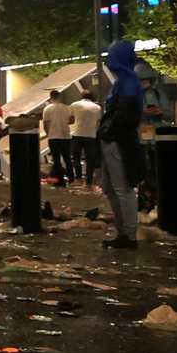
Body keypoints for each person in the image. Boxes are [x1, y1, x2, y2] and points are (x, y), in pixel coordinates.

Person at [96, 40, 145, 247]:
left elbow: (127, 115)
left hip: (119, 141)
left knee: (121, 187)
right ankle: (124, 233)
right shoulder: (124, 81)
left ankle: (128, 234)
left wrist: (109, 130)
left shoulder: (128, 81)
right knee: (111, 188)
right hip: (114, 139)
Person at [39, 90, 77, 183]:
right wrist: (64, 122)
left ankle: (60, 179)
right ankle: (71, 178)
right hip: (66, 136)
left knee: (56, 159)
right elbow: (72, 121)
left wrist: (48, 134)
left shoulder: (47, 109)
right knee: (67, 158)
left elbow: (45, 124)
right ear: (59, 97)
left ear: (50, 97)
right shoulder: (67, 108)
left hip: (53, 136)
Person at [71, 88, 103, 189]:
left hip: (77, 134)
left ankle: (78, 179)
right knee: (90, 159)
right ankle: (89, 181)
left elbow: (71, 119)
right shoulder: (97, 107)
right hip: (91, 135)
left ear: (82, 96)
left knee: (76, 157)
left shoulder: (75, 104)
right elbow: (99, 122)